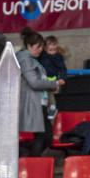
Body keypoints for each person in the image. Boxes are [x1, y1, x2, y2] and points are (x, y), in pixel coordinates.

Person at [19, 29, 62, 157]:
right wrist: (53, 84)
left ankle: (31, 159)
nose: (40, 50)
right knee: (43, 136)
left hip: (37, 102)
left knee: (44, 136)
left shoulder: (29, 59)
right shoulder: (27, 60)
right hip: (34, 102)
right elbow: (34, 82)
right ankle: (32, 161)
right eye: (38, 47)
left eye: (41, 47)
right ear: (29, 46)